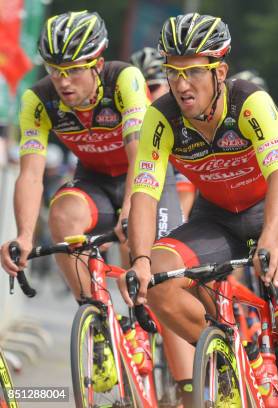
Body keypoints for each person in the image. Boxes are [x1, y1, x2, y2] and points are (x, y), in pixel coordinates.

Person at [119, 13, 278, 407]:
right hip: (215, 218)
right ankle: (230, 358)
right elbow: (144, 194)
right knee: (159, 284)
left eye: (194, 72)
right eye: (173, 72)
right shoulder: (161, 117)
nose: (182, 85)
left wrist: (271, 241)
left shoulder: (250, 103)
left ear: (220, 71)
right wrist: (141, 259)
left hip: (275, 213)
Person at [0, 10, 183, 378]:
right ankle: (99, 320)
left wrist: (132, 213)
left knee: (161, 285)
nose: (62, 81)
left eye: (73, 70)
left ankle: (185, 386)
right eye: (54, 70)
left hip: (145, 180)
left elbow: (139, 157)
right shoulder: (39, 99)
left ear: (97, 64)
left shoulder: (125, 80)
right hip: (96, 180)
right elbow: (31, 175)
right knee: (62, 213)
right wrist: (21, 234)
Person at [131, 46, 196, 218]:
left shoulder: (184, 115)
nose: (143, 95)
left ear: (169, 84)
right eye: (138, 90)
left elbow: (184, 184)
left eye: (151, 88)